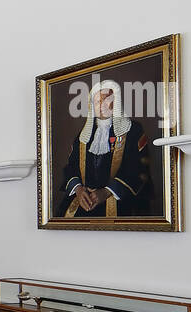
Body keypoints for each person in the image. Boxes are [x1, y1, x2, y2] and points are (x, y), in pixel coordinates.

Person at [56, 79, 151, 218]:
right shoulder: (84, 135)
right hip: (84, 200)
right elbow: (71, 166)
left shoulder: (132, 130)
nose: (101, 105)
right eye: (97, 102)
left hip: (119, 200)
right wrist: (78, 189)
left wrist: (107, 191)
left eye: (106, 100)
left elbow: (139, 169)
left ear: (115, 102)